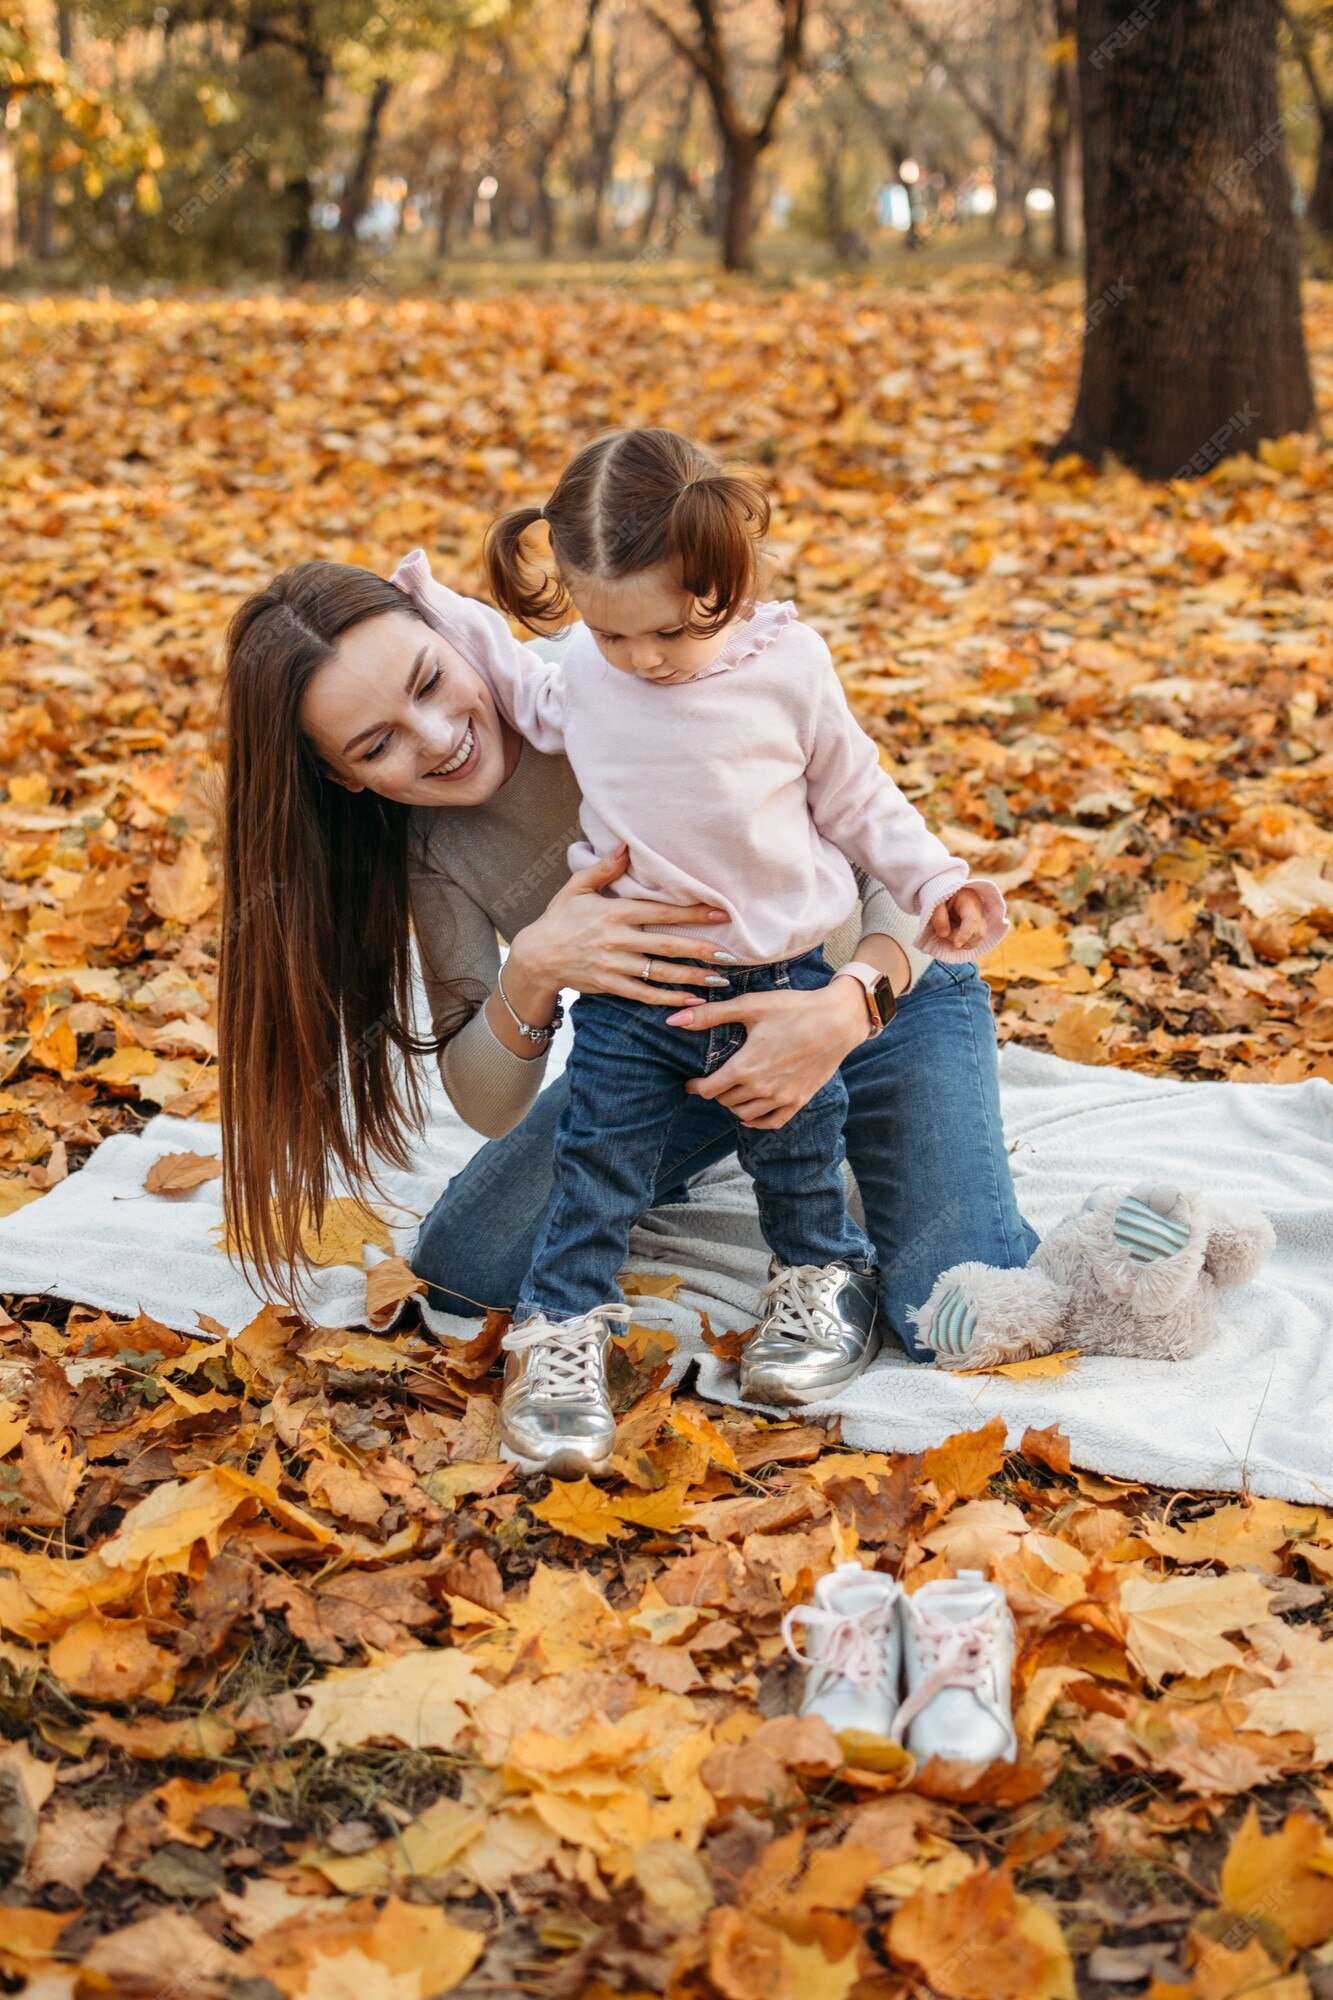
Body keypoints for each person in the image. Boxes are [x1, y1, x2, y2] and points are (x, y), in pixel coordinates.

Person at [218, 441, 1036, 1473]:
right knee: (471, 1258)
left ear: (461, 636)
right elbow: (484, 1101)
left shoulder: (632, 668)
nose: (434, 738)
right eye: (375, 744)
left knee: (951, 1302)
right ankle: (748, 1154)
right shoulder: (432, 849)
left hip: (871, 993)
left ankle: (846, 1216)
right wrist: (534, 969)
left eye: (431, 681)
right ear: (337, 778)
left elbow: (884, 855)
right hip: (664, 1047)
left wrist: (847, 1008)